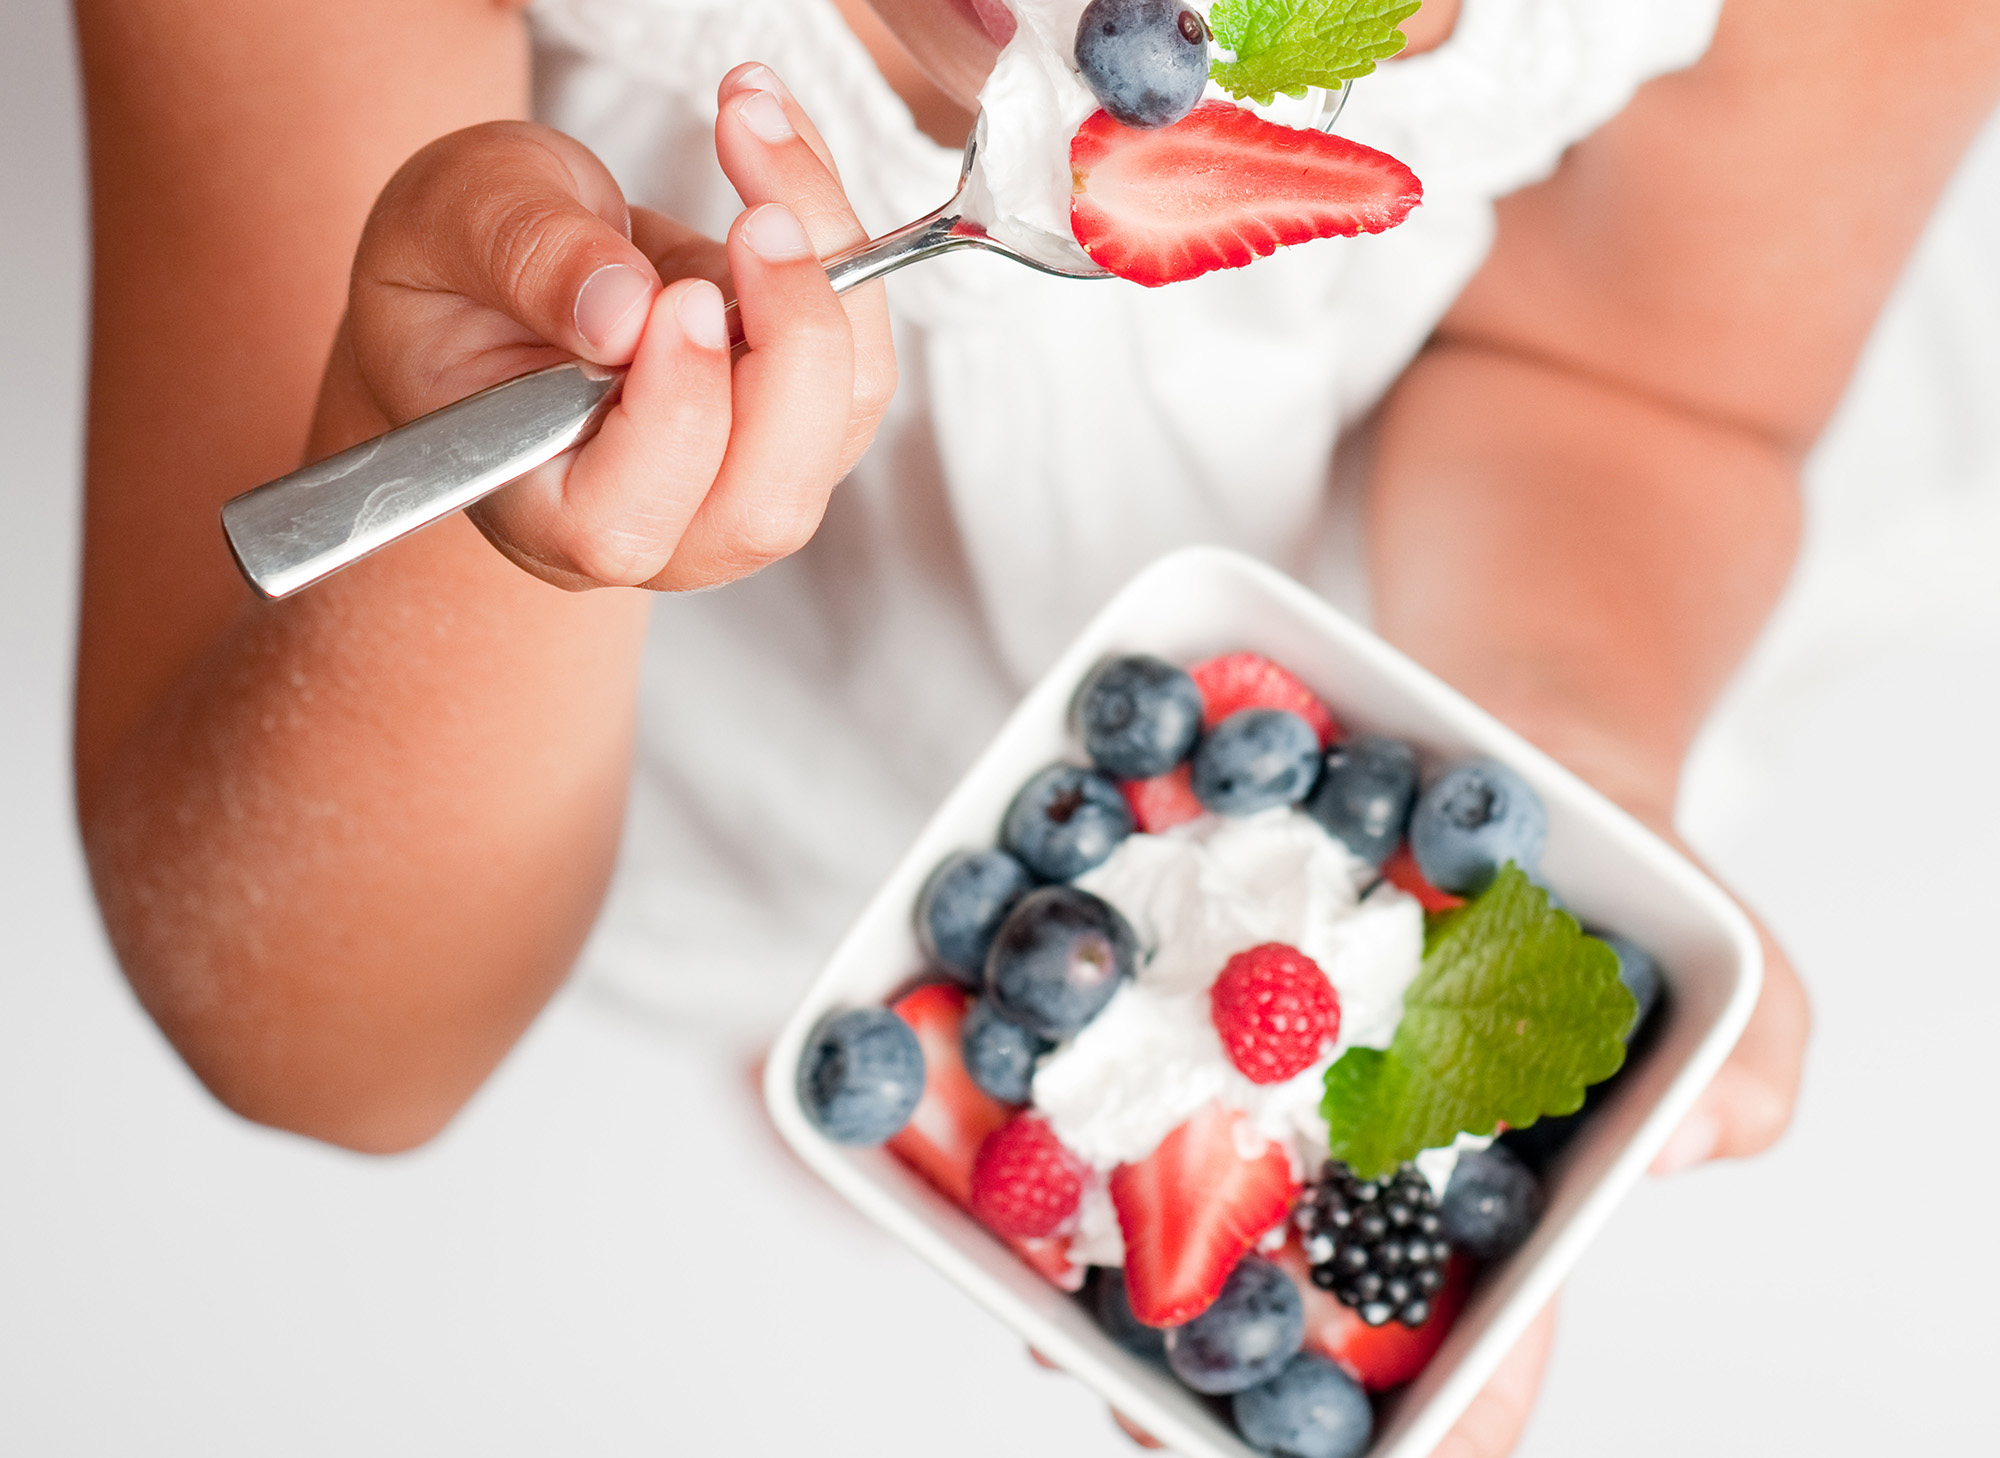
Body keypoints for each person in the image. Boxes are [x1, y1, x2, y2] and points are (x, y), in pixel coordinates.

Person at [69, 0, 2000, 1451]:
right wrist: (497, 537)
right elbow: (337, 1043)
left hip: (1347, 637)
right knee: (826, 1019)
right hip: (668, 733)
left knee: (971, 1042)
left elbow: (1630, 384)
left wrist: (1539, 789)